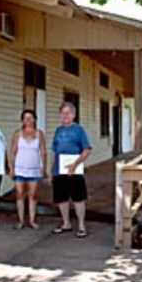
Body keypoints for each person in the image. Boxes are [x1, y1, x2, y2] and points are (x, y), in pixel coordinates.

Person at [50, 102, 92, 238]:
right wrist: (51, 170)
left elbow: (87, 150)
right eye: (63, 113)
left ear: (73, 115)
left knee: (78, 198)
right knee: (61, 198)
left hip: (75, 170)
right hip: (59, 170)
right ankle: (66, 223)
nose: (65, 115)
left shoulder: (79, 130)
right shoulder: (58, 130)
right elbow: (54, 151)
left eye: (68, 113)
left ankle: (81, 226)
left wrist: (75, 164)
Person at [10, 109, 47, 230]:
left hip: (34, 169)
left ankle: (32, 220)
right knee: (20, 195)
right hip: (19, 169)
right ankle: (21, 221)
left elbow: (43, 152)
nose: (28, 120)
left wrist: (44, 168)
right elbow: (13, 152)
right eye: (25, 118)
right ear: (22, 120)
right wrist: (11, 168)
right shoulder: (17, 134)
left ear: (35, 119)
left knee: (33, 195)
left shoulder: (39, 134)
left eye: (30, 117)